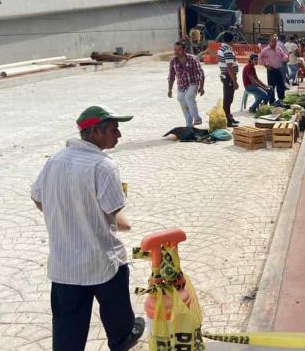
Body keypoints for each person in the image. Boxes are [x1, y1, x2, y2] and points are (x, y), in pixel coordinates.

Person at [31, 106, 145, 351]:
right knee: (120, 322)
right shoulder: (103, 165)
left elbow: (38, 198)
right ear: (95, 132)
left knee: (67, 335)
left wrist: (65, 215)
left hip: (64, 267)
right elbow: (116, 214)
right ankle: (123, 337)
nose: (119, 135)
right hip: (100, 262)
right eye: (114, 129)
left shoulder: (55, 160)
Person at [168, 41, 205, 127]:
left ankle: (197, 119)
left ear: (184, 50)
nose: (176, 52)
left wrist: (202, 87)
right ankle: (189, 125)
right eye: (175, 50)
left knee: (189, 97)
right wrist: (169, 89)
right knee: (181, 100)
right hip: (181, 86)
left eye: (179, 50)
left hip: (193, 84)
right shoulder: (173, 61)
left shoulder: (193, 59)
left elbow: (201, 73)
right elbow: (171, 76)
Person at [218, 33, 239, 127]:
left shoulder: (221, 48)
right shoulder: (227, 50)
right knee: (228, 98)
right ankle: (227, 120)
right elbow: (229, 67)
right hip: (228, 76)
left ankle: (229, 116)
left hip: (225, 75)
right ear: (232, 40)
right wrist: (234, 81)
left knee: (228, 98)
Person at [260, 36, 289, 102]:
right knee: (271, 87)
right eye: (273, 41)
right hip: (271, 70)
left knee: (281, 86)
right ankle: (272, 101)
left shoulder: (279, 49)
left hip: (279, 69)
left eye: (275, 41)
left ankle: (281, 100)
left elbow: (284, 55)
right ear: (269, 41)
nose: (274, 42)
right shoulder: (265, 50)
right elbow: (260, 58)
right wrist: (266, 65)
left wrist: (287, 57)